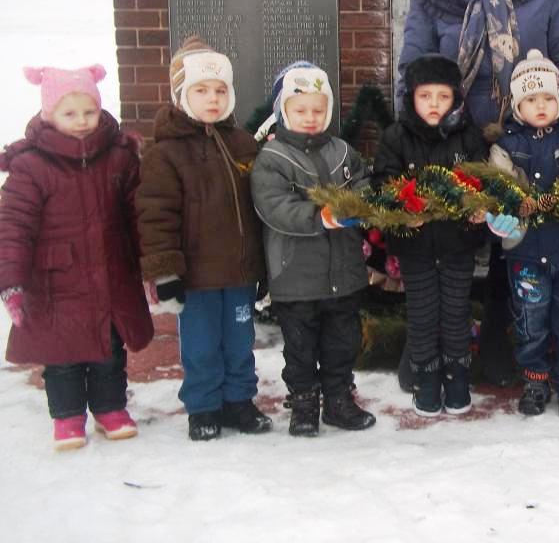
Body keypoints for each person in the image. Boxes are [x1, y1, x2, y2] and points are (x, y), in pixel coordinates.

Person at [399, 0, 559, 386]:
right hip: (453, 134)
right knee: (452, 243)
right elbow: (413, 61)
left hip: (524, 136)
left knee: (517, 241)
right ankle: (428, 352)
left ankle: (505, 349)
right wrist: (417, 123)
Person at [0, 65, 153, 450]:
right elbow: (14, 226)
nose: (82, 121)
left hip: (111, 272)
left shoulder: (118, 157)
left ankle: (110, 408)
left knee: (109, 348)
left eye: (89, 111)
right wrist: (11, 282)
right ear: (49, 115)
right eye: (70, 113)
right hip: (56, 280)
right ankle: (67, 417)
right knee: (63, 353)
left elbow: (139, 215)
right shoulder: (31, 165)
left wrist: (150, 267)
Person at [136, 37, 271, 441]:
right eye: (201, 90)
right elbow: (155, 216)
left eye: (220, 90)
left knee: (239, 342)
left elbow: (259, 210)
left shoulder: (243, 144)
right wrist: (165, 273)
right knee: (201, 346)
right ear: (181, 95)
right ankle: (204, 406)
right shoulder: (164, 154)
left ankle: (239, 402)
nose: (212, 98)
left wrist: (264, 264)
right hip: (196, 277)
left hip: (239, 272)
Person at [250, 62, 376, 436]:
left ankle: (338, 399)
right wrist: (320, 215)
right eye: (300, 110)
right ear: (283, 112)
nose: (310, 118)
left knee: (342, 341)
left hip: (344, 273)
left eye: (318, 110)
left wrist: (359, 204)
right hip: (296, 277)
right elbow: (275, 207)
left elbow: (364, 183)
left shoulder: (342, 152)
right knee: (301, 347)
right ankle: (303, 401)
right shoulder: (273, 159)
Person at [373, 54, 489, 416]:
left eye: (443, 96)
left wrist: (478, 205)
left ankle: (456, 376)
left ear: (456, 98)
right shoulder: (396, 137)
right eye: (426, 96)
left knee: (455, 312)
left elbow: (484, 179)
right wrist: (401, 211)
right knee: (423, 314)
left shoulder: (467, 136)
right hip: (415, 246)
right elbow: (383, 183)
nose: (434, 104)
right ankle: (427, 378)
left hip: (458, 244)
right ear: (412, 97)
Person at [488, 50, 559, 421]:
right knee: (531, 320)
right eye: (531, 99)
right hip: (526, 253)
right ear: (518, 105)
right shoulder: (507, 146)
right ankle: (535, 380)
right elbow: (501, 191)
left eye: (549, 97)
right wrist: (501, 216)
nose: (541, 105)